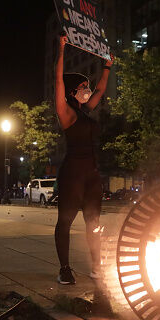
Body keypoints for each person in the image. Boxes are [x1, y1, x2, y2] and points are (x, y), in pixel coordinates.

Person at [54, 34, 113, 285]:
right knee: (65, 222)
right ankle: (64, 269)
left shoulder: (86, 113)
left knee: (94, 222)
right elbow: (57, 80)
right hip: (73, 175)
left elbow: (100, 89)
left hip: (92, 175)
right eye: (83, 88)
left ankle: (97, 266)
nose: (88, 91)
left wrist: (108, 65)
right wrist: (61, 49)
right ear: (72, 93)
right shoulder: (66, 113)